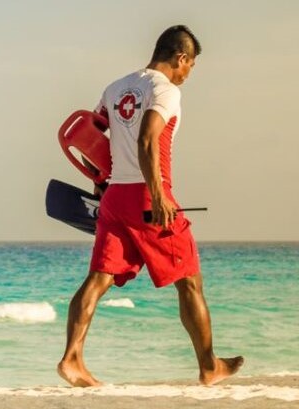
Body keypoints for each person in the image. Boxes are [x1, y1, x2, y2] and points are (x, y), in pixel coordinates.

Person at [57, 25, 244, 387]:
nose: (188, 75)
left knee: (98, 279)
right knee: (190, 281)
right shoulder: (166, 90)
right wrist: (158, 197)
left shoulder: (115, 88)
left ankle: (72, 359)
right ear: (181, 57)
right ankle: (209, 367)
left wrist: (99, 185)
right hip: (149, 195)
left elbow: (91, 137)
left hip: (115, 199)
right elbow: (147, 140)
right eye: (190, 67)